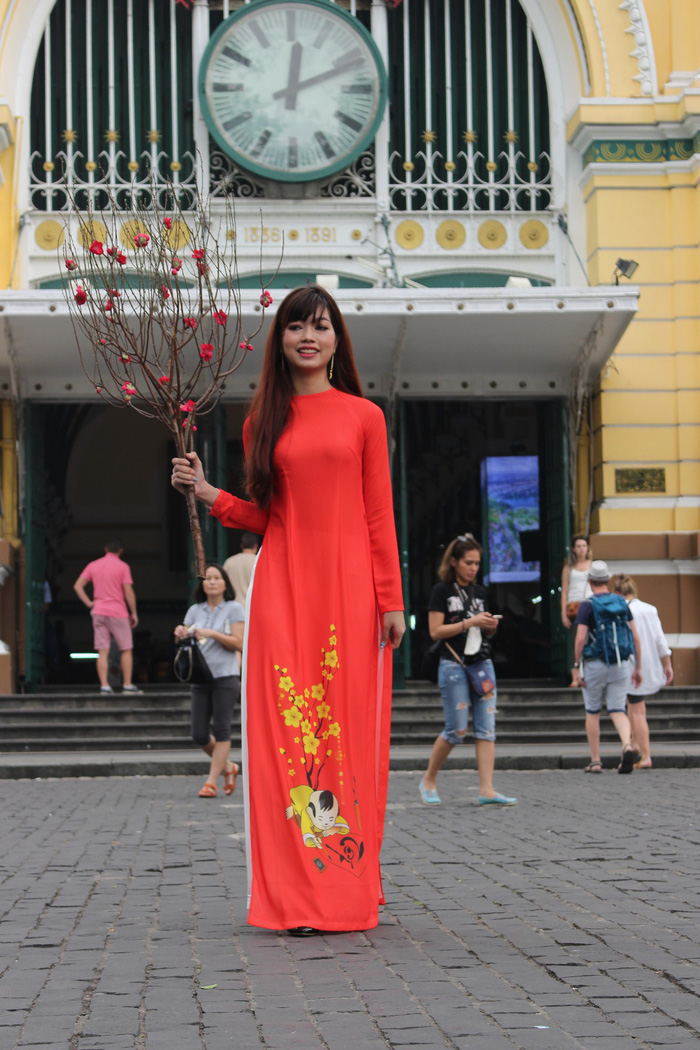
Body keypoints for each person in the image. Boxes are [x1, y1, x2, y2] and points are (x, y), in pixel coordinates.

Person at [171, 285, 405, 936]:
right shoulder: (261, 422)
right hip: (284, 591)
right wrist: (210, 491)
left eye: (321, 325)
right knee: (288, 740)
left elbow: (379, 514)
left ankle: (348, 875)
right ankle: (299, 893)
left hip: (352, 592)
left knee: (349, 736)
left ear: (337, 339)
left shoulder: (364, 416)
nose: (309, 335)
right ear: (280, 340)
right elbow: (267, 517)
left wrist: (392, 601)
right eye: (296, 326)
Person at [419, 534, 517, 807]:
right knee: (456, 729)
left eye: (477, 563)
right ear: (454, 562)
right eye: (468, 562)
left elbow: (480, 629)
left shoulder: (480, 592)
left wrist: (488, 626)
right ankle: (429, 778)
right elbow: (435, 631)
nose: (473, 568)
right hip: (453, 664)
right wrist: (469, 622)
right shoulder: (442, 591)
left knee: (487, 729)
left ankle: (487, 789)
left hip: (481, 663)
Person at [174, 563, 245, 798]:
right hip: (200, 675)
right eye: (208, 578)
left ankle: (211, 781)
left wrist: (212, 633)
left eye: (217, 578)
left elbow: (239, 643)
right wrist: (180, 633)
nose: (212, 582)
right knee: (199, 733)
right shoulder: (195, 611)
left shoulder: (234, 609)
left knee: (223, 729)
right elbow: (185, 641)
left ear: (225, 584)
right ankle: (229, 767)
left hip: (226, 675)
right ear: (202, 585)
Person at [572, 560, 643, 773]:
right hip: (621, 663)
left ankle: (595, 760)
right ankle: (627, 745)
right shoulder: (621, 603)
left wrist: (576, 666)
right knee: (618, 710)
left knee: (592, 711)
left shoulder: (587, 605)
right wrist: (638, 667)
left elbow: (580, 639)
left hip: (595, 664)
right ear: (608, 580)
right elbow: (636, 637)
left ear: (590, 580)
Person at [612, 574, 673, 769]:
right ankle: (637, 746)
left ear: (618, 592)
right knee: (637, 708)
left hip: (631, 665)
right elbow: (660, 639)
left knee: (637, 711)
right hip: (649, 663)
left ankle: (645, 755)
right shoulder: (650, 609)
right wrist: (667, 664)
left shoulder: (622, 610)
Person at [73, 539, 142, 694]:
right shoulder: (123, 567)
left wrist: (89, 603)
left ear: (105, 549)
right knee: (126, 649)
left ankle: (104, 685)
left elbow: (77, 586)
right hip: (118, 611)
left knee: (102, 651)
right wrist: (134, 612)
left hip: (99, 611)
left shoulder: (93, 565)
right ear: (120, 551)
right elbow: (128, 591)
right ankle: (127, 684)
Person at [561, 535, 593, 685]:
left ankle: (589, 673)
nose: (581, 549)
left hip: (590, 605)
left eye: (584, 546)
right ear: (574, 549)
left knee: (590, 639)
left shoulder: (593, 565)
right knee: (575, 640)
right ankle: (575, 676)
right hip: (574, 606)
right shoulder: (568, 568)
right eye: (578, 546)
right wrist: (563, 613)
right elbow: (564, 591)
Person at [222, 531, 260, 606]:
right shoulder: (259, 562)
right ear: (256, 546)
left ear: (241, 546)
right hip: (253, 606)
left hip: (232, 605)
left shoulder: (229, 562)